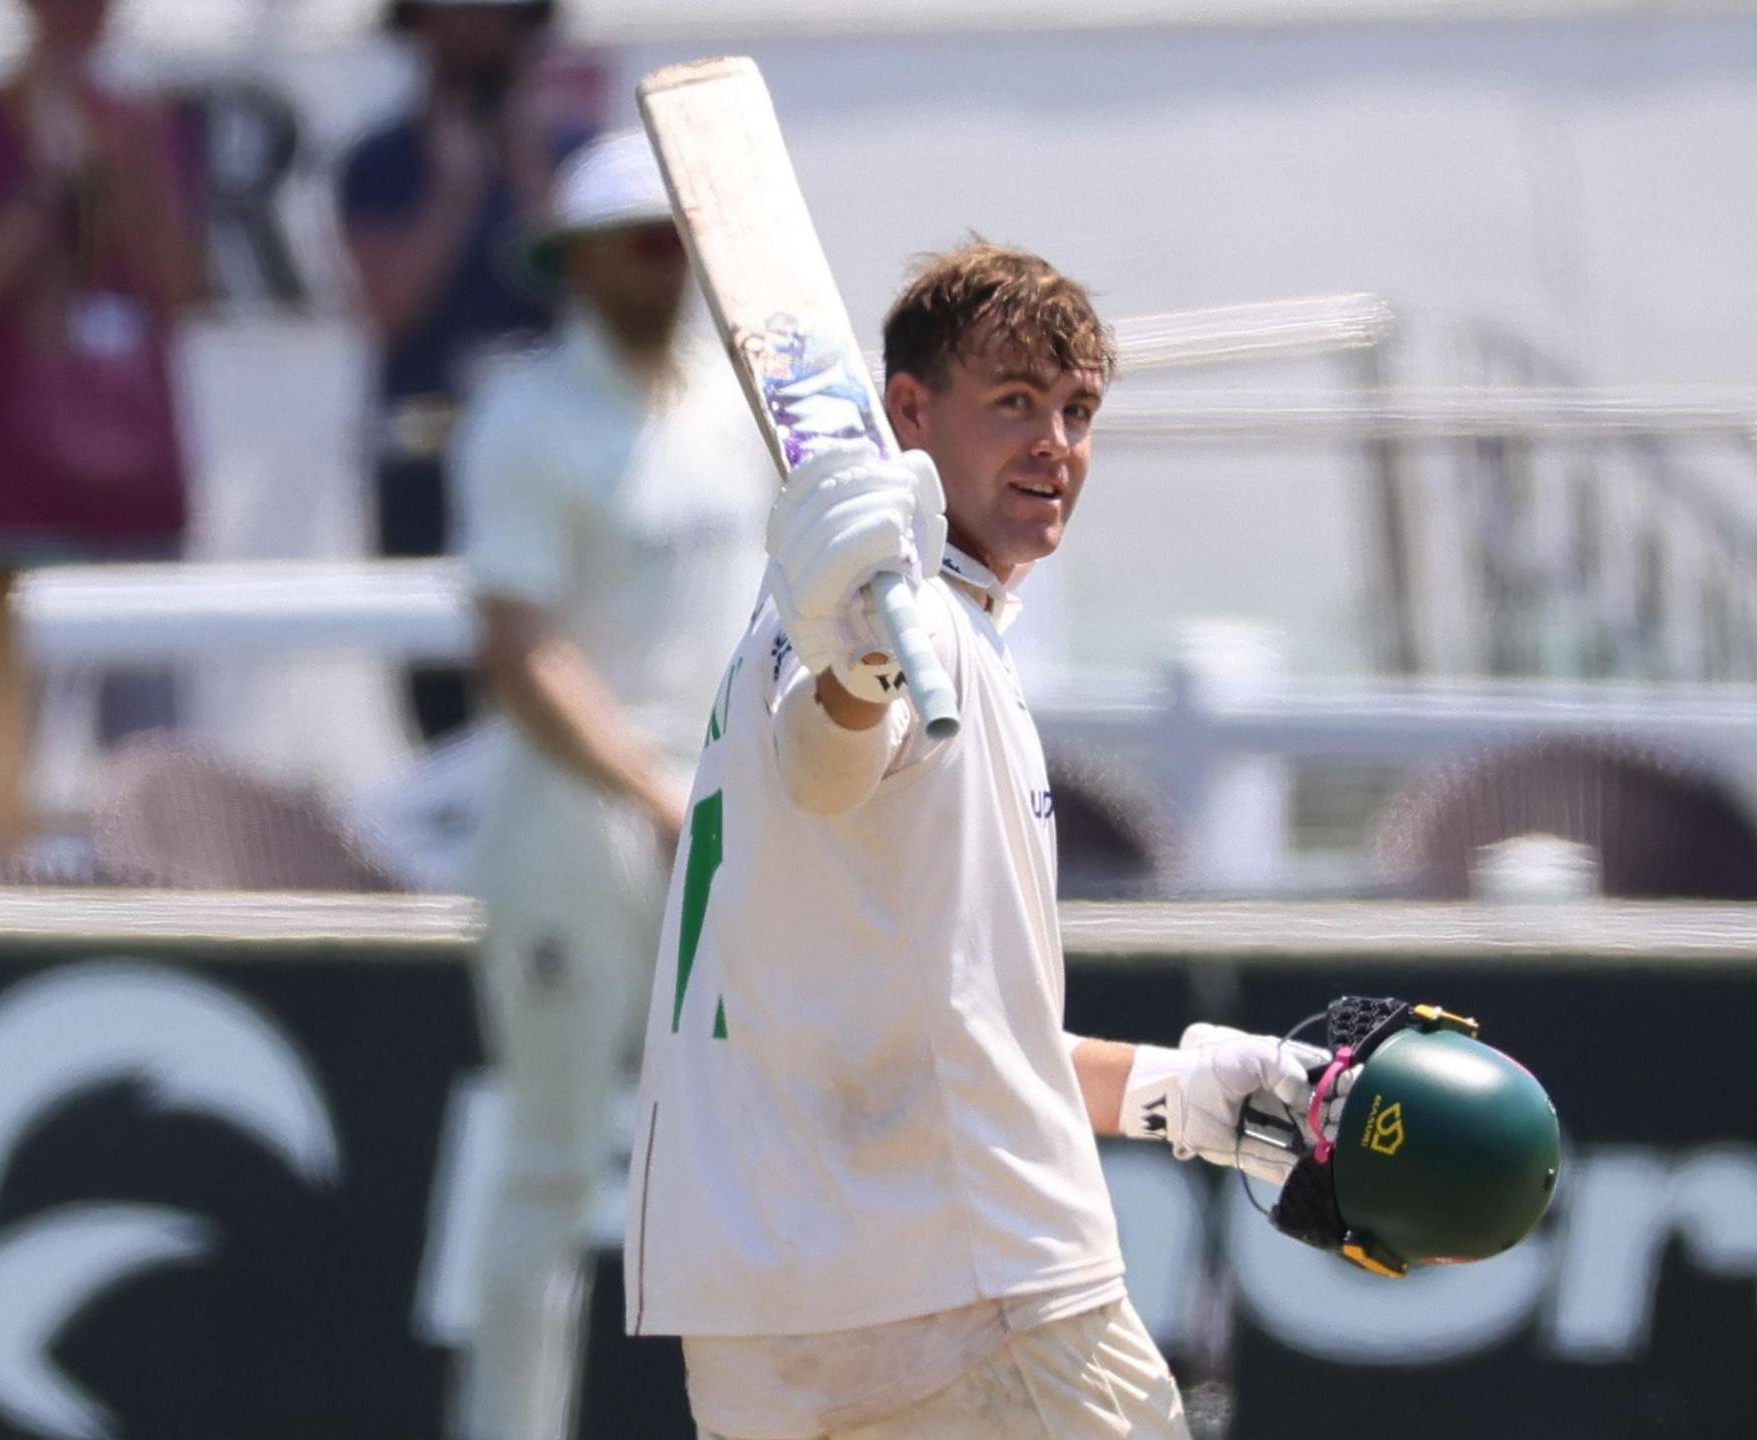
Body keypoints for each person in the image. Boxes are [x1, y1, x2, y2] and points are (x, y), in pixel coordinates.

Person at [625, 243, 1325, 1439]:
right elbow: (830, 749)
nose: (1054, 443)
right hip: (974, 1293)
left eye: (1077, 410)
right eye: (1012, 402)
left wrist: (1172, 1090)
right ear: (907, 412)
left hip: (759, 1313)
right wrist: (866, 663)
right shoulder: (887, 626)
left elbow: (925, 1032)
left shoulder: (849, 618)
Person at [447, 132, 769, 1440]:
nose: (670, 265)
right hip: (574, 828)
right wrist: (649, 794)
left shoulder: (724, 405)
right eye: (645, 240)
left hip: (720, 826)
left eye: (681, 238)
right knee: (549, 1163)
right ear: (579, 262)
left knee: (744, 1164)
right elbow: (517, 652)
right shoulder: (526, 417)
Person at [0, 0, 198, 740]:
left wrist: (125, 174)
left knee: (147, 758)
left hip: (135, 501)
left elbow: (176, 293)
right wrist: (43, 190)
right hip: (7, 499)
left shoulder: (141, 126)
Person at [339, 0, 584, 744]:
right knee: (438, 696)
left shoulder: (574, 154)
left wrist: (529, 171)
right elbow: (385, 308)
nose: (475, 29)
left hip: (555, 465)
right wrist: (454, 193)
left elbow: (598, 295)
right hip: (426, 465)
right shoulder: (379, 161)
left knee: (562, 661)